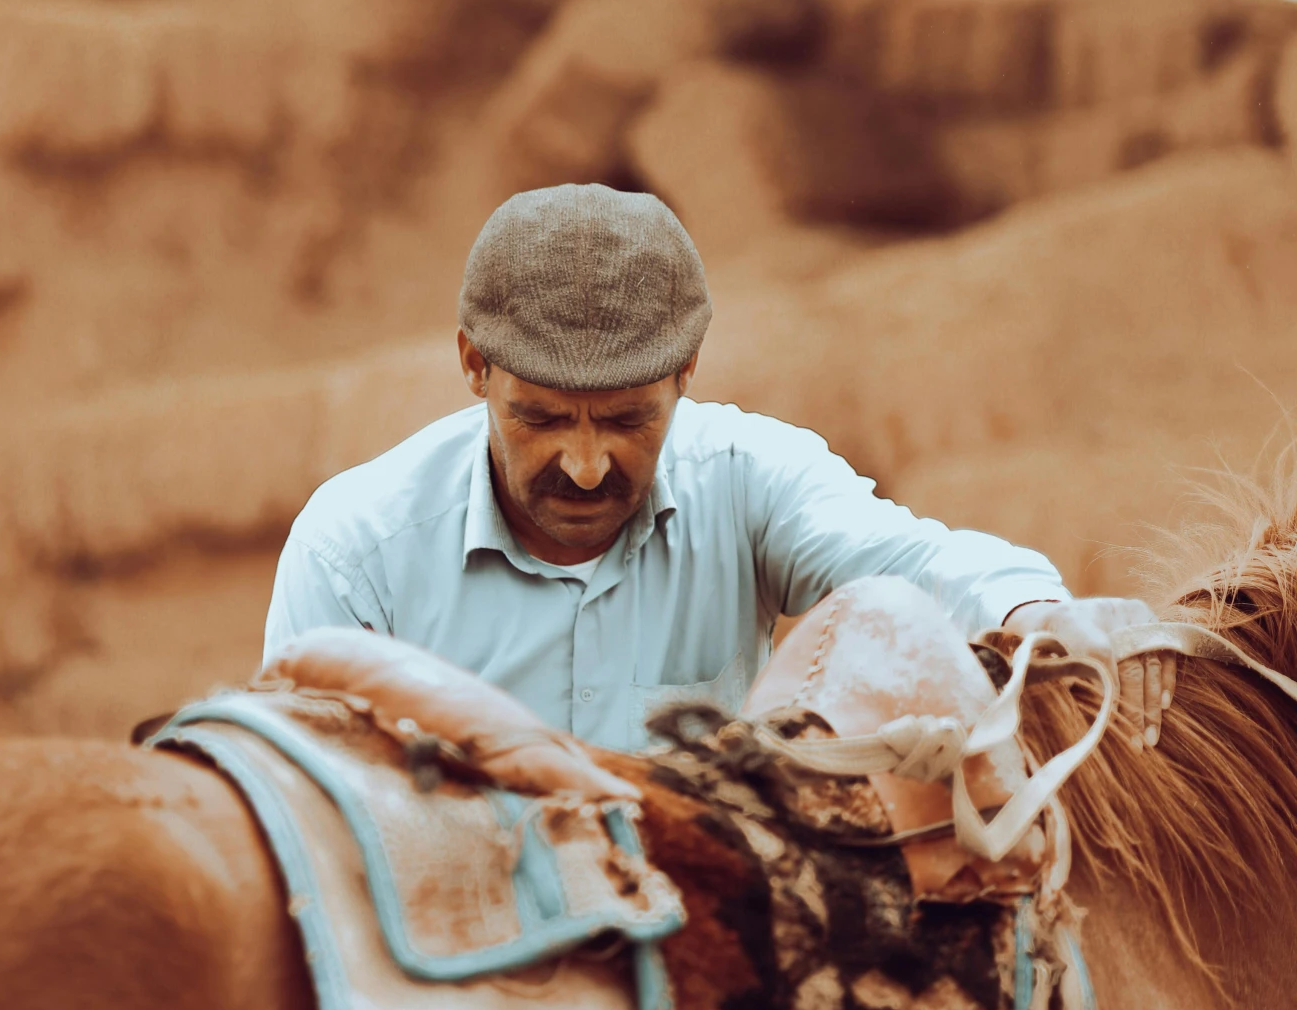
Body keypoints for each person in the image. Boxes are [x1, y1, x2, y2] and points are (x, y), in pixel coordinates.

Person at [266, 184, 1173, 753]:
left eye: (628, 422)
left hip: (701, 949)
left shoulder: (747, 475)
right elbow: (301, 794)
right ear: (473, 367)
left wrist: (1043, 612)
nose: (585, 467)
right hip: (443, 969)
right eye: (539, 419)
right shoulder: (354, 549)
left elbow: (918, 569)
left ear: (685, 375)